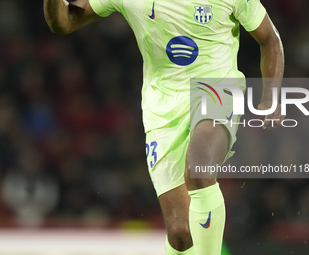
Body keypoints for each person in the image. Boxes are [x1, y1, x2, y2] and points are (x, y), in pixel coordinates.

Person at [43, 0, 284, 254]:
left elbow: (269, 38)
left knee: (198, 170)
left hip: (217, 88)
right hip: (162, 109)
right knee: (182, 234)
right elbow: (64, 23)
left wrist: (271, 96)